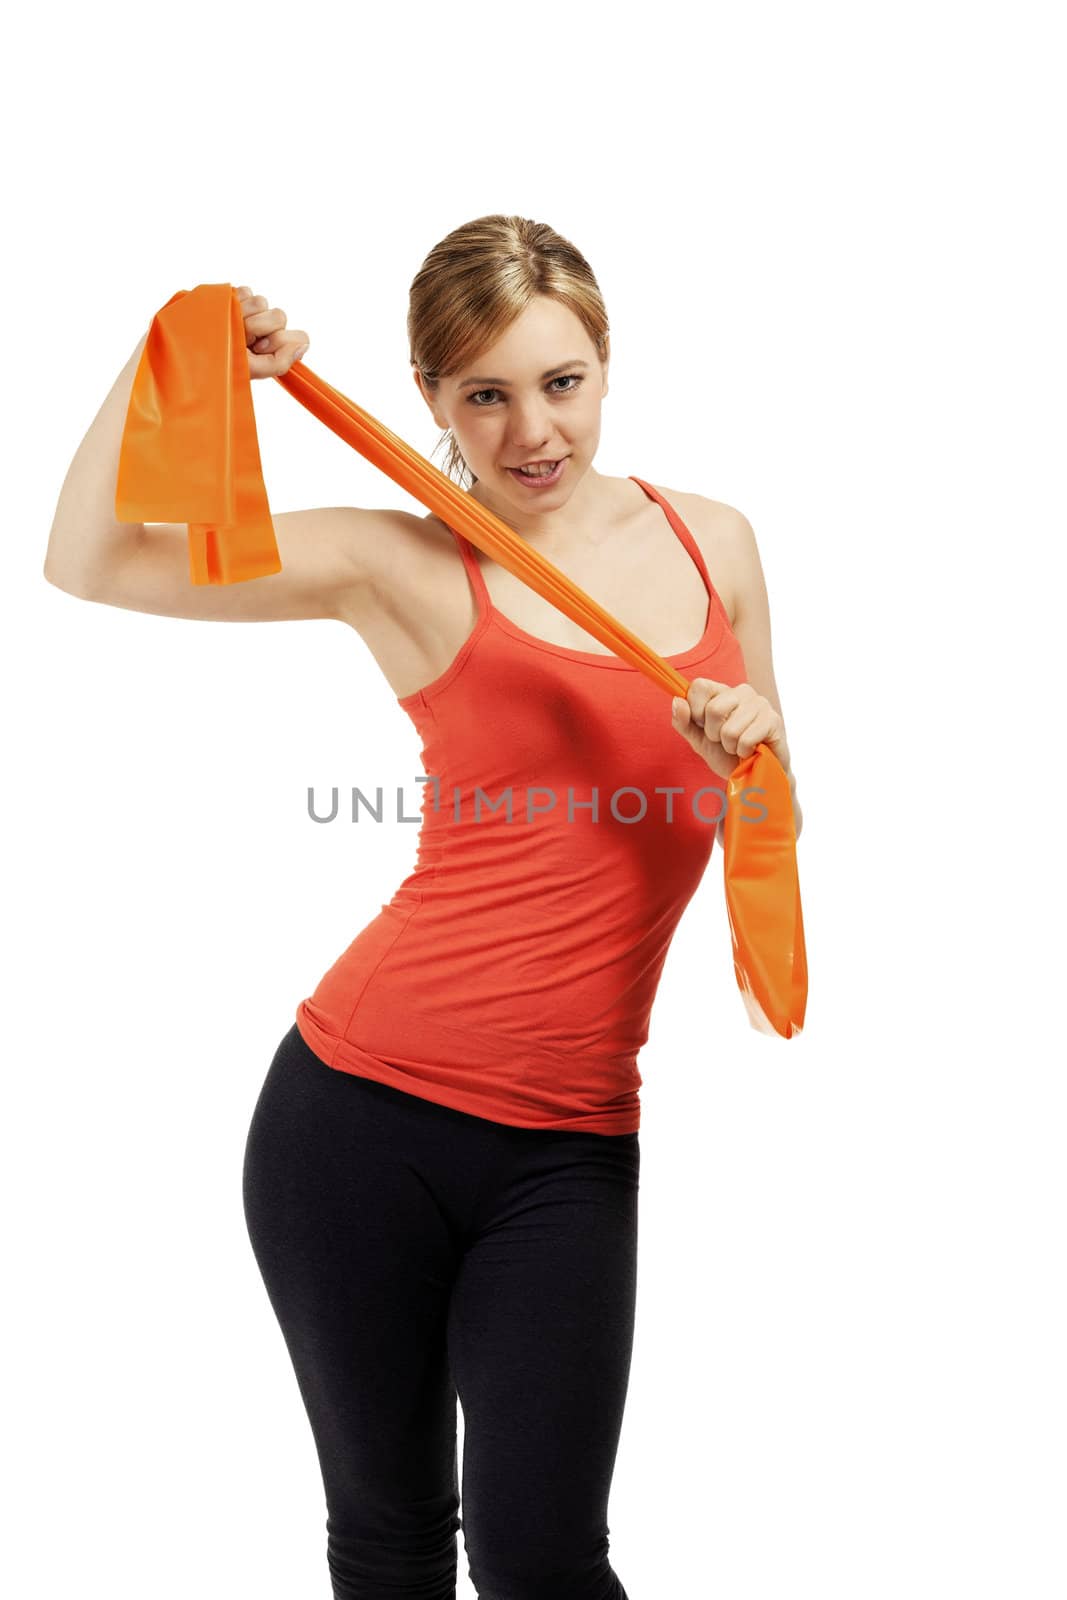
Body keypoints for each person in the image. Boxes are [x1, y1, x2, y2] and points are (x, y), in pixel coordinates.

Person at [44, 214, 802, 1600]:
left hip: (570, 1147)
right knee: (392, 1541)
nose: (531, 431)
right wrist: (177, 347)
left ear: (606, 366)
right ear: (433, 401)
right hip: (352, 1124)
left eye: (560, 382)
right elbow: (89, 561)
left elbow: (768, 816)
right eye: (486, 394)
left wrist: (749, 748)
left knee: (540, 1559)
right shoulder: (399, 562)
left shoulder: (718, 549)